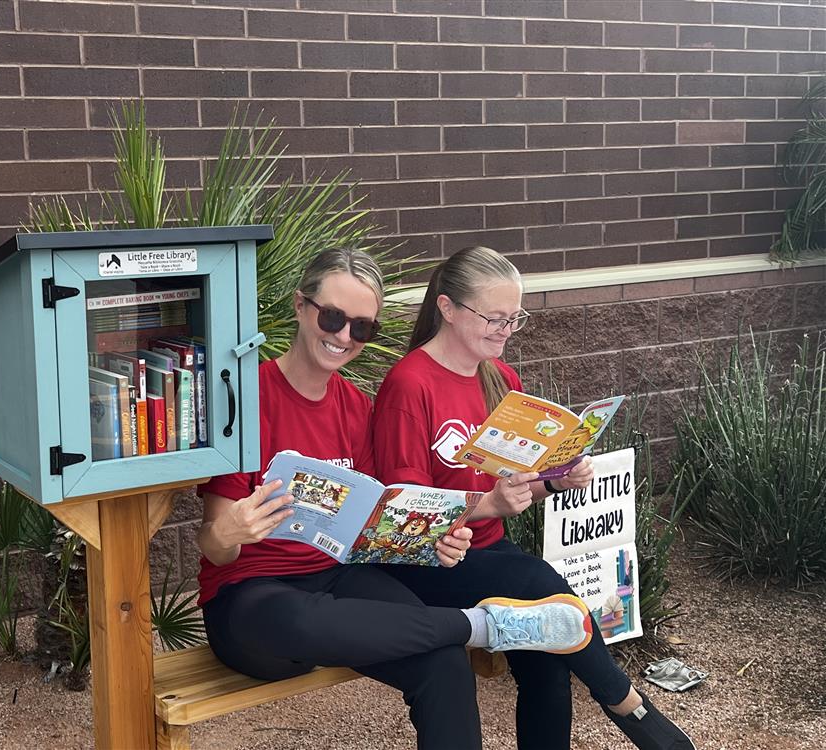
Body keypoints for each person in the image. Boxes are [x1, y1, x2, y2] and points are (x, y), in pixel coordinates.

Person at [196, 247, 592, 750]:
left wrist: (433, 542)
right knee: (299, 616)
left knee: (444, 664)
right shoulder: (245, 399)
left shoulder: (357, 408)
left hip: (340, 576)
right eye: (334, 317)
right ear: (301, 306)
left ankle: (468, 630)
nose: (343, 337)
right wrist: (231, 532)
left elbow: (375, 528)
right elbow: (213, 545)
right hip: (252, 595)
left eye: (362, 328)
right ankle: (481, 626)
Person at [371, 245, 697, 750]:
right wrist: (489, 505)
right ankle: (628, 706)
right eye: (495, 318)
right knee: (540, 585)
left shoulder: (500, 379)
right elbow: (406, 513)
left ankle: (624, 710)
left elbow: (514, 487)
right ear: (448, 308)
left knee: (548, 657)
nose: (506, 330)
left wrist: (555, 481)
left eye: (515, 318)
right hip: (431, 563)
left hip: (488, 553)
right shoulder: (409, 385)